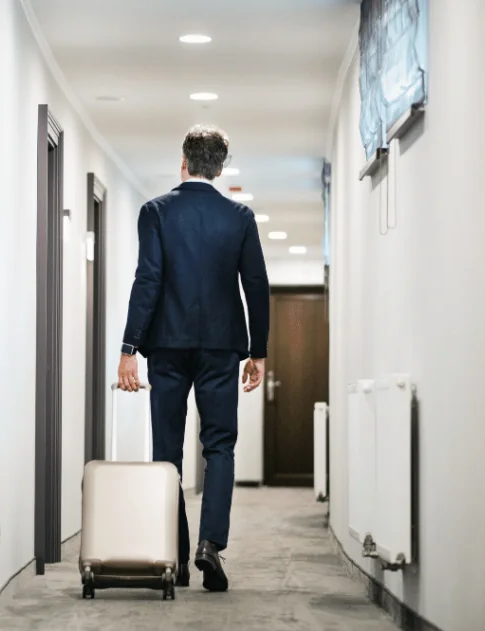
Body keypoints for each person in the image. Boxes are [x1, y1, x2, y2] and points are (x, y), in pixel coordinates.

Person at [117, 125, 270, 592]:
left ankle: (176, 556)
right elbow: (257, 288)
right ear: (220, 169)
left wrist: (128, 348)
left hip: (166, 346)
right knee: (219, 446)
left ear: (182, 161)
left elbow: (149, 281)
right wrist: (258, 352)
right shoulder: (239, 217)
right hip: (222, 347)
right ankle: (211, 545)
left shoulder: (156, 212)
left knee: (167, 452)